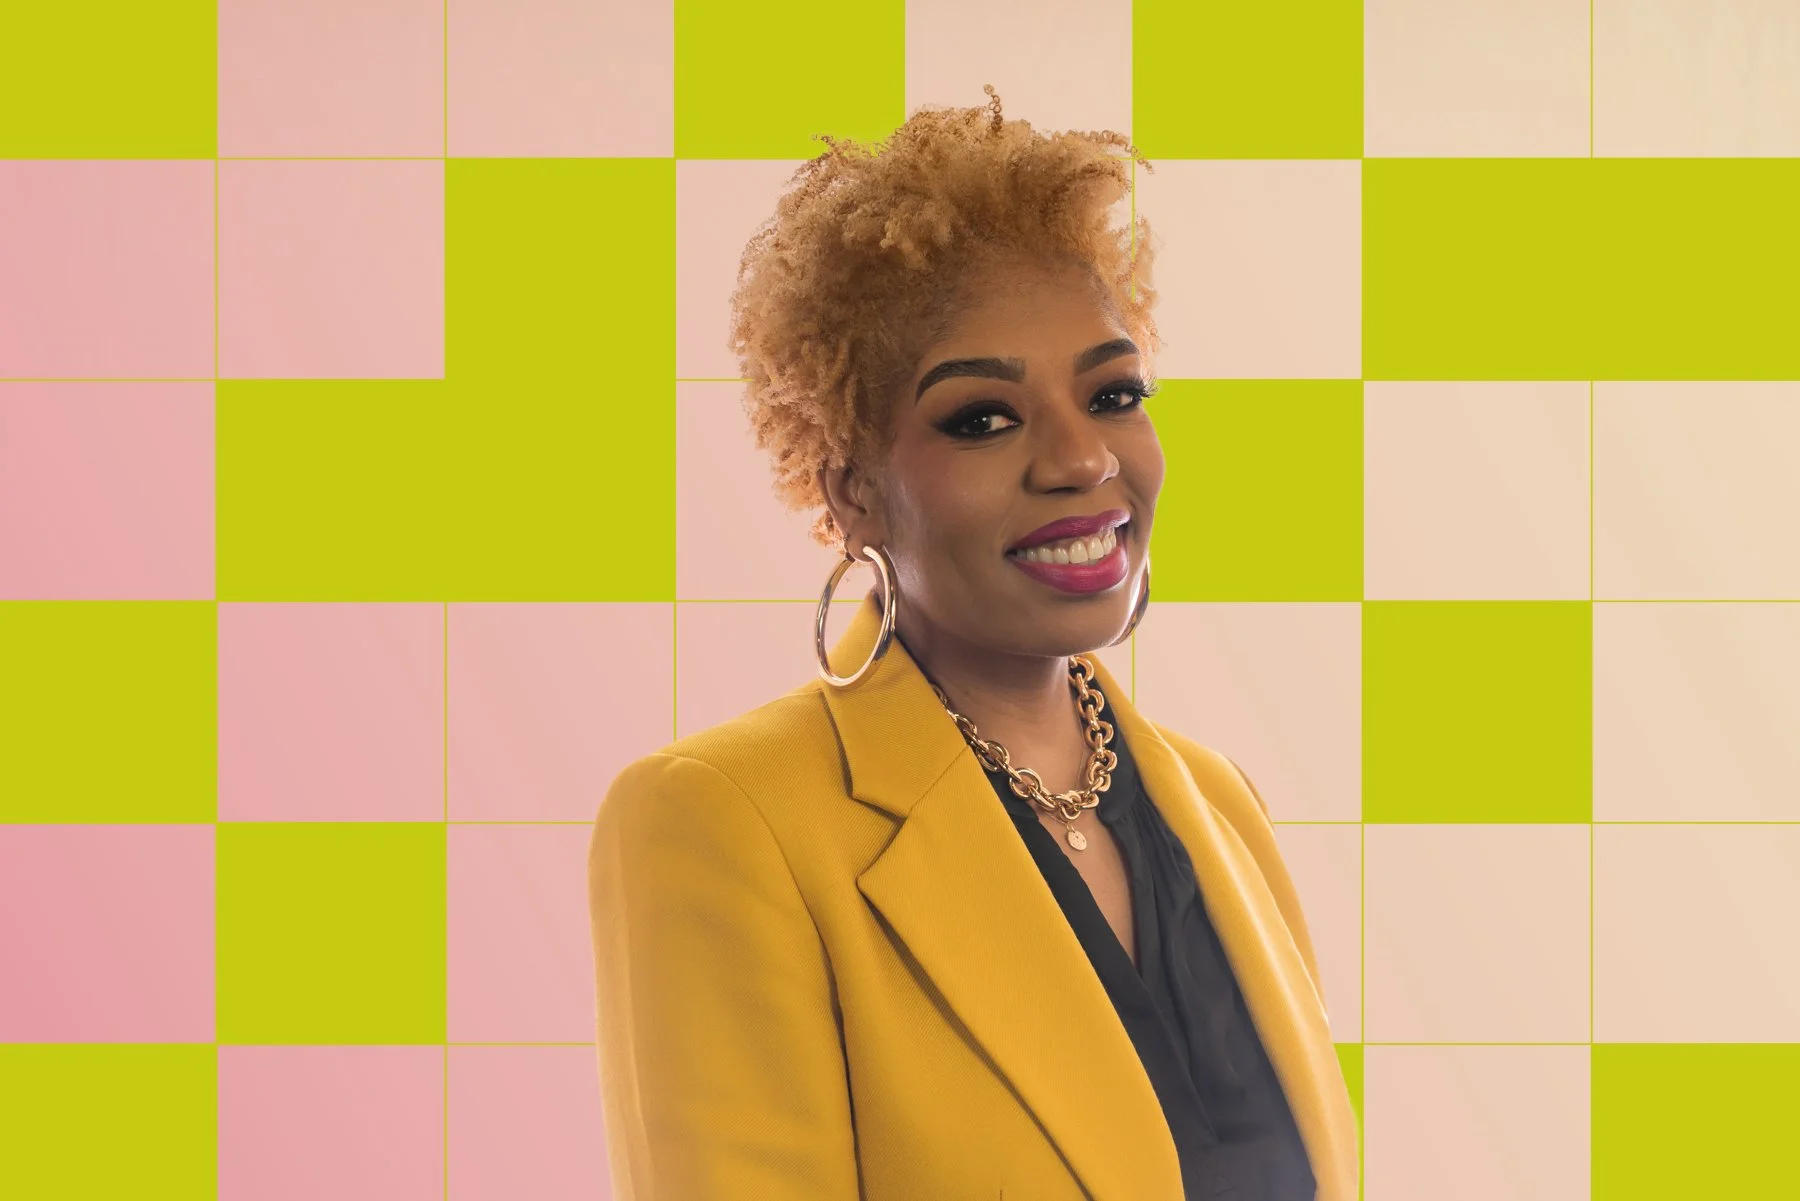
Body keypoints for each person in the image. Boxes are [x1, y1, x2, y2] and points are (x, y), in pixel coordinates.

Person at [586, 86, 1360, 1200]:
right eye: (983, 418)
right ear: (853, 490)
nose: (1081, 458)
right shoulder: (722, 820)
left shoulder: (1217, 802)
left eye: (1114, 392)